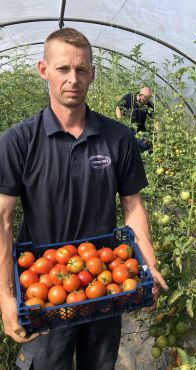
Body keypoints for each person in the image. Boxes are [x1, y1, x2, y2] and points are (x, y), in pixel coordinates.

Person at [0, 28, 167, 370]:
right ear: (43, 70)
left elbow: (132, 205)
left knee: (100, 364)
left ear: (92, 73)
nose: (72, 79)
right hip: (42, 290)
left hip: (106, 282)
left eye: (81, 70)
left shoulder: (119, 138)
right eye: (63, 69)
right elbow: (2, 219)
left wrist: (148, 264)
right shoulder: (18, 141)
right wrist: (5, 296)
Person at [116, 87, 154, 152]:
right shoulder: (129, 97)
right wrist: (120, 121)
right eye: (145, 99)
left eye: (149, 99)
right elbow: (118, 108)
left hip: (141, 132)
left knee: (146, 150)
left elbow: (155, 118)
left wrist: (156, 134)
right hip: (127, 130)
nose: (147, 101)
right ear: (140, 95)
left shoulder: (148, 104)